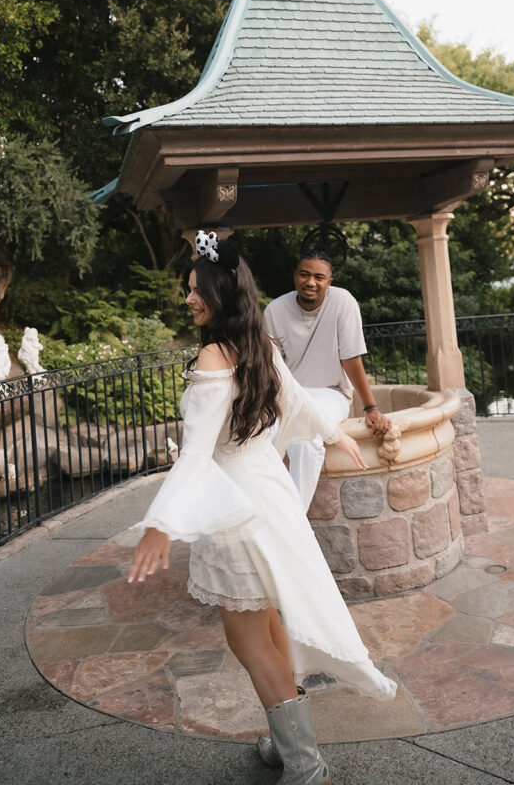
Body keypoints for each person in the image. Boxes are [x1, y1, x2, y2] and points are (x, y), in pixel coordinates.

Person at [128, 231, 396, 785]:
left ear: (220, 293)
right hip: (269, 496)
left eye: (195, 290)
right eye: (187, 291)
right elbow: (297, 401)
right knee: (270, 629)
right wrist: (335, 433)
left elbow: (197, 454)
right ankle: (286, 746)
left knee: (250, 639)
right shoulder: (259, 345)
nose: (188, 300)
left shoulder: (212, 354)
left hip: (237, 510)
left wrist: (161, 524)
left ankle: (305, 765)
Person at [264, 250, 392, 508]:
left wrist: (371, 408)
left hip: (331, 392)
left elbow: (350, 358)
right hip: (290, 393)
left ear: (329, 282)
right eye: (304, 274)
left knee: (307, 437)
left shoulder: (342, 302)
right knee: (262, 433)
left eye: (319, 277)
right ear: (295, 277)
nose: (311, 282)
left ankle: (294, 517)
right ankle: (260, 509)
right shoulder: (275, 310)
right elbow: (271, 368)